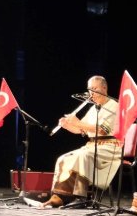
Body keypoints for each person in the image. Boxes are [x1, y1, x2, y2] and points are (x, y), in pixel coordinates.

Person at [40, 75, 122, 208]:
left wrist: (77, 122)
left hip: (110, 147)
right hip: (92, 146)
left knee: (82, 156)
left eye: (95, 89)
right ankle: (61, 197)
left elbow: (102, 131)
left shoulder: (113, 105)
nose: (91, 93)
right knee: (63, 158)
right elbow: (81, 130)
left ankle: (81, 197)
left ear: (104, 88)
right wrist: (67, 125)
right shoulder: (93, 108)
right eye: (90, 89)